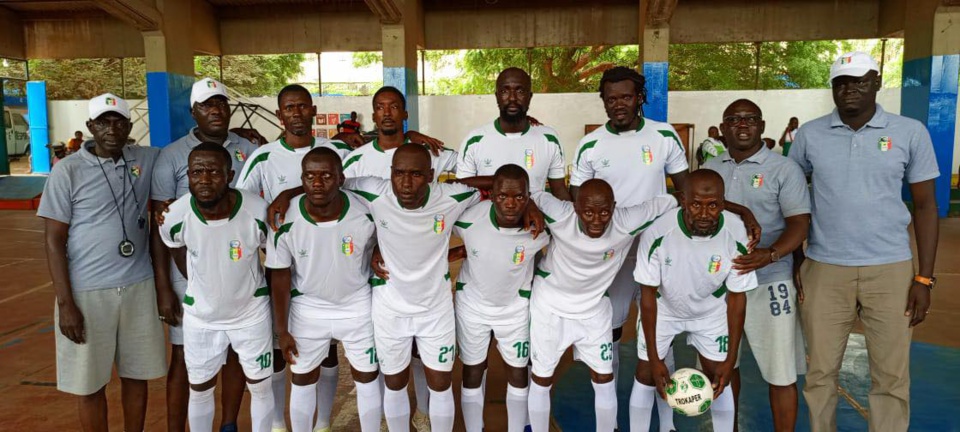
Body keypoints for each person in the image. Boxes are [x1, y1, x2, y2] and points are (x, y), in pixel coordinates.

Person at [789, 51, 940, 432]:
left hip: (890, 270)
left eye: (858, 81)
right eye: (841, 83)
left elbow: (925, 206)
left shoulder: (910, 132)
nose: (849, 90)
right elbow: (790, 201)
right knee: (820, 371)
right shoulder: (810, 134)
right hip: (824, 268)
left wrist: (923, 279)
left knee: (890, 376)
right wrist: (796, 263)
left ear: (875, 82)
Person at [38, 93, 166, 432]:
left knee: (137, 375)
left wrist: (244, 138)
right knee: (90, 383)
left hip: (139, 286)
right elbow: (53, 240)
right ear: (90, 126)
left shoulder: (146, 158)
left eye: (119, 121)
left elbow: (188, 154)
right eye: (104, 122)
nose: (112, 129)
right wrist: (66, 304)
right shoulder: (67, 171)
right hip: (87, 293)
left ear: (129, 125)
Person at [344, 144, 490, 432]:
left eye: (416, 174)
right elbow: (329, 181)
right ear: (390, 174)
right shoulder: (374, 191)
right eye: (399, 173)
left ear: (432, 175)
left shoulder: (451, 196)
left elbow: (500, 181)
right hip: (390, 309)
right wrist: (373, 245)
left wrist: (532, 204)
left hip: (435, 310)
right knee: (394, 383)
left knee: (440, 383)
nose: (406, 183)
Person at [526, 179, 679, 432]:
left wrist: (743, 211)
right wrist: (531, 205)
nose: (597, 220)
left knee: (604, 378)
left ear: (614, 207)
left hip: (594, 309)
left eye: (604, 212)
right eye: (588, 212)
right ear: (575, 207)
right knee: (542, 378)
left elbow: (678, 198)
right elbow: (526, 191)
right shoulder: (559, 213)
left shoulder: (627, 220)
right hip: (550, 308)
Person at [150, 77, 259, 432]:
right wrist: (164, 286)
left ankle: (228, 423)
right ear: (194, 111)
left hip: (239, 273)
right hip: (190, 277)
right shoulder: (172, 156)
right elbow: (161, 226)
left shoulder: (248, 148)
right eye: (207, 105)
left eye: (222, 104)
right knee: (185, 358)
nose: (216, 111)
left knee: (234, 354)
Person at [705, 99, 811, 431]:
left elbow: (799, 223)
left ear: (762, 127)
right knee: (722, 365)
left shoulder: (783, 169)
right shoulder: (711, 167)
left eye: (750, 119)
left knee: (781, 373)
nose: (742, 124)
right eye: (733, 119)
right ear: (722, 128)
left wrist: (771, 254)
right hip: (720, 285)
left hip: (770, 279)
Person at [159, 143, 275, 432]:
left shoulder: (257, 211)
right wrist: (206, 284)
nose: (205, 179)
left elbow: (273, 258)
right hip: (202, 317)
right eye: (197, 172)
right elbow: (176, 250)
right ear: (188, 175)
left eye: (214, 171)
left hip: (250, 314)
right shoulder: (173, 216)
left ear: (230, 174)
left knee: (260, 386)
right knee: (200, 388)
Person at [630, 169, 757, 432]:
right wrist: (655, 359)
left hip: (710, 312)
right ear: (683, 200)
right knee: (645, 374)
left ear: (723, 203)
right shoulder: (657, 232)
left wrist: (730, 358)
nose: (704, 213)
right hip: (664, 308)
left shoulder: (736, 233)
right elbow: (648, 297)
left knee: (719, 378)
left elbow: (736, 299)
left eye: (713, 206)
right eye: (696, 204)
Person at [267, 147, 382, 432]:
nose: (317, 183)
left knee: (367, 377)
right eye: (310, 176)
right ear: (301, 179)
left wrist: (379, 249)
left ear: (341, 178)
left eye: (326, 176)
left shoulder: (365, 211)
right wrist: (282, 330)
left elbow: (388, 237)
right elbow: (279, 277)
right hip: (308, 309)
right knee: (302, 378)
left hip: (357, 306)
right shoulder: (283, 219)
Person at [447, 164, 551, 432]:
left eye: (519, 197)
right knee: (473, 370)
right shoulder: (469, 219)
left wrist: (535, 208)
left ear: (529, 197)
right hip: (473, 306)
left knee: (518, 372)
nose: (510, 203)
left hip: (514, 309)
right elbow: (435, 223)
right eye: (503, 195)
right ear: (491, 195)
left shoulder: (540, 228)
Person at [455, 67, 571, 201]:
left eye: (520, 91)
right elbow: (461, 193)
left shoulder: (549, 139)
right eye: (505, 91)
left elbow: (560, 191)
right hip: (487, 220)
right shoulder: (475, 140)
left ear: (530, 96)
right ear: (496, 96)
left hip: (535, 220)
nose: (512, 98)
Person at [343, 86, 458, 182]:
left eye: (394, 107)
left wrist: (451, 186)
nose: (387, 113)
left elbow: (470, 166)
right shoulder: (355, 160)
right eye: (380, 107)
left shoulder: (430, 150)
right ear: (374, 117)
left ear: (405, 114)